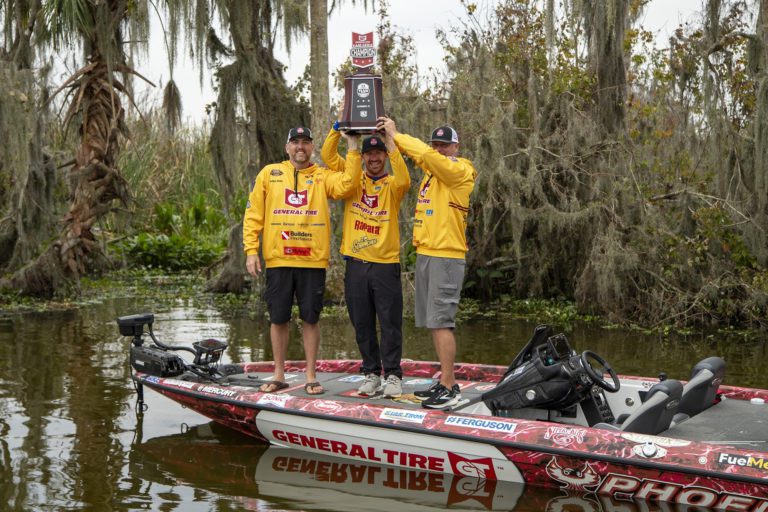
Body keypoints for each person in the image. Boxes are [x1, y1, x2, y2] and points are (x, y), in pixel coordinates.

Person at [243, 126, 361, 395]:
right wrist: (251, 249)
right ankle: (279, 374)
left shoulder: (321, 176)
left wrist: (353, 148)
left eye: (305, 143)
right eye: (295, 142)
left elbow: (348, 185)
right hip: (278, 259)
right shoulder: (269, 174)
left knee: (310, 318)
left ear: (311, 148)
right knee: (278, 318)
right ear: (287, 148)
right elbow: (253, 214)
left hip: (312, 260)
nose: (300, 147)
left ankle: (310, 375)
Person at [376, 117, 477, 409]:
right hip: (427, 253)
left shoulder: (460, 169)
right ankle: (443, 381)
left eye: (445, 145)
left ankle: (451, 386)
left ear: (456, 146)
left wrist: (397, 133)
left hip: (446, 255)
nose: (440, 149)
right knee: (434, 322)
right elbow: (418, 157)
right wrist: (388, 139)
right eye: (437, 144)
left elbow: (423, 154)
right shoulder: (431, 174)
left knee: (442, 321)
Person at [321, 123, 411, 398]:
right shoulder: (353, 179)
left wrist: (391, 140)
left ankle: (393, 374)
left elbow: (405, 177)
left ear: (384, 156)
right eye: (369, 154)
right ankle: (371, 373)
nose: (373, 158)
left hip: (385, 264)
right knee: (362, 322)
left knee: (390, 322)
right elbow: (328, 156)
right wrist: (340, 130)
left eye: (378, 154)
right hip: (356, 264)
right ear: (362, 157)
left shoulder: (393, 185)